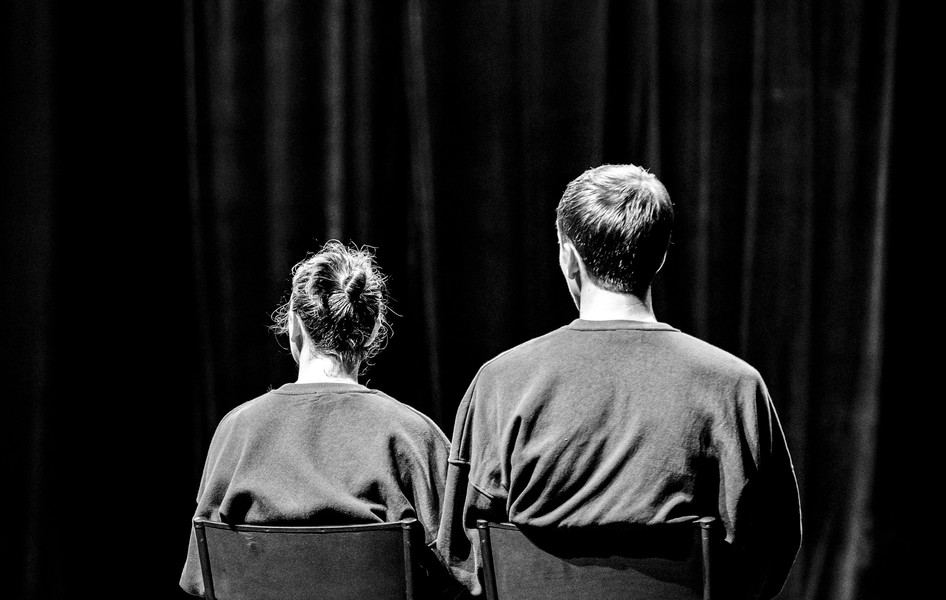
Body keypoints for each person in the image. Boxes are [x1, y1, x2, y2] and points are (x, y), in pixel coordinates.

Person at [436, 164, 802, 599]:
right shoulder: (735, 387)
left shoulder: (499, 383)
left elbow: (462, 554)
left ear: (568, 257)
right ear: (661, 255)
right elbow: (771, 545)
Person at [180, 240, 458, 598]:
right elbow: (460, 575)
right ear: (375, 329)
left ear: (294, 326)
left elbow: (202, 578)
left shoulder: (236, 432)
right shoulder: (414, 436)